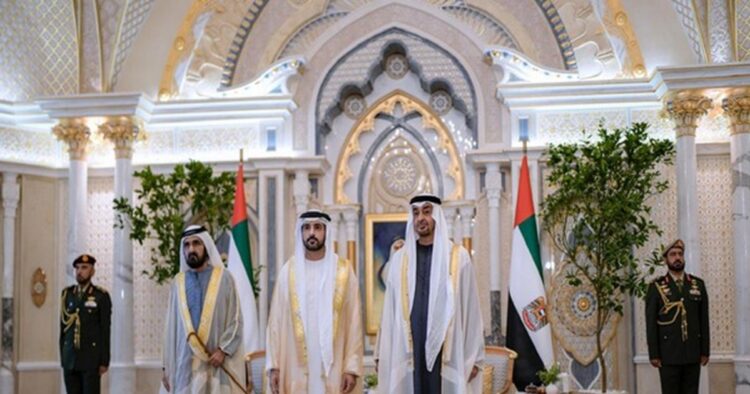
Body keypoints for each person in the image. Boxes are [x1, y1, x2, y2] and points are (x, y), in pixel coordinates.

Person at [376, 194, 484, 394]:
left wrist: (474, 358)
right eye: (416, 213)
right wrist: (381, 355)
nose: (420, 218)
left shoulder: (458, 258)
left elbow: (471, 309)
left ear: (437, 215)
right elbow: (389, 312)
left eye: (426, 211)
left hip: (447, 353)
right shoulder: (400, 260)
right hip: (410, 352)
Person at [266, 210, 363, 394]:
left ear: (326, 232)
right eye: (307, 228)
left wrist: (351, 368)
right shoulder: (288, 271)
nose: (312, 233)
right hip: (295, 366)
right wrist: (274, 366)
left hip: (333, 368)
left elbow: (354, 322)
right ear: (300, 232)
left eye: (317, 227)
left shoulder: (343, 271)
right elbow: (275, 324)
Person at [162, 225, 245, 393]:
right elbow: (170, 329)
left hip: (216, 366)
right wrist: (166, 367)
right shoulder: (177, 283)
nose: (191, 249)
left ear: (206, 246)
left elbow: (236, 320)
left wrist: (223, 350)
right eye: (187, 245)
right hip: (185, 369)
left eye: (196, 243)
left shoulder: (225, 278)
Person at [646, 239, 710, 394]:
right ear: (666, 259)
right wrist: (654, 354)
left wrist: (705, 351)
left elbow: (704, 320)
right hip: (668, 355)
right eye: (673, 254)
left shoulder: (698, 285)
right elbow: (651, 324)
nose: (677, 258)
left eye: (680, 254)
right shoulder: (656, 287)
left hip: (692, 353)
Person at [60, 254, 111, 394]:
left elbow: (105, 330)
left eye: (84, 268)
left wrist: (104, 360)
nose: (79, 271)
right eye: (77, 268)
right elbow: (63, 329)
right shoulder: (67, 294)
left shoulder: (101, 296)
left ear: (92, 271)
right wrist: (63, 357)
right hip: (70, 358)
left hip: (91, 359)